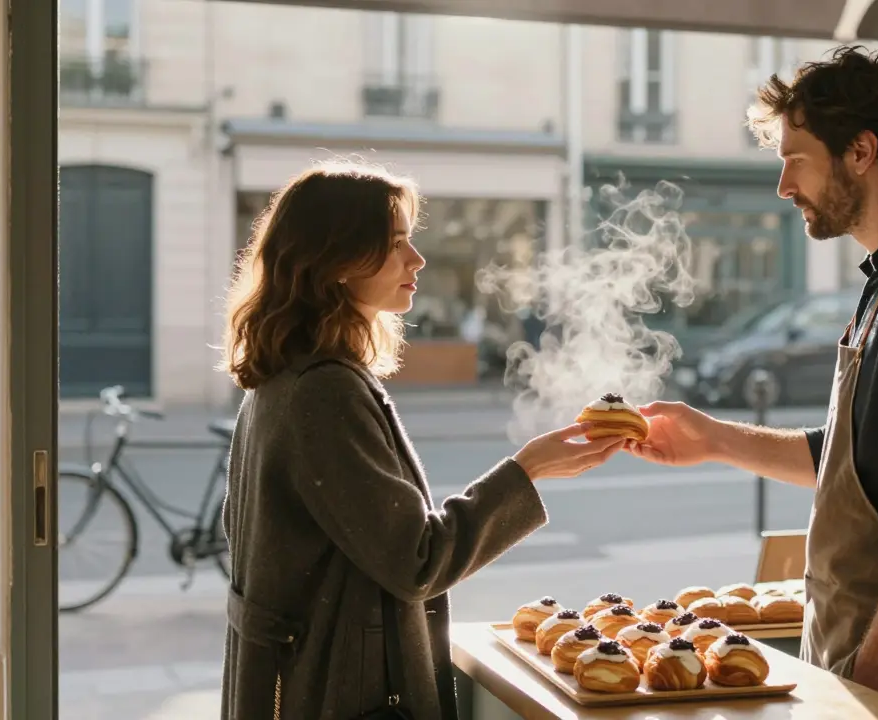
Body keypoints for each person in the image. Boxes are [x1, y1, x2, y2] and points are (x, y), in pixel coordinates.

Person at [628, 47, 878, 720]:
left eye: (795, 159)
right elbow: (857, 465)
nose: (783, 186)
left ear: (862, 152)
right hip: (877, 664)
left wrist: (862, 691)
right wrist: (713, 438)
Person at [218, 160, 625, 719]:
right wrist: (527, 471)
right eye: (396, 244)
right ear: (336, 261)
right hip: (337, 695)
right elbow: (417, 561)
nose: (418, 259)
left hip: (293, 684)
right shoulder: (324, 392)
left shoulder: (283, 375)